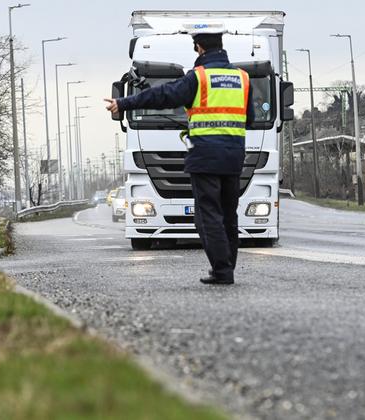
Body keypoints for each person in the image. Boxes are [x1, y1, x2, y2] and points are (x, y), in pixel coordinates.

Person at [104, 26, 253, 285]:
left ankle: (222, 270)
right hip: (234, 156)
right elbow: (248, 119)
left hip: (205, 155)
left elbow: (163, 95)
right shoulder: (243, 77)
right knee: (229, 214)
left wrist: (125, 104)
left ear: (200, 47)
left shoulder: (198, 77)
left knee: (207, 214)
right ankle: (227, 266)